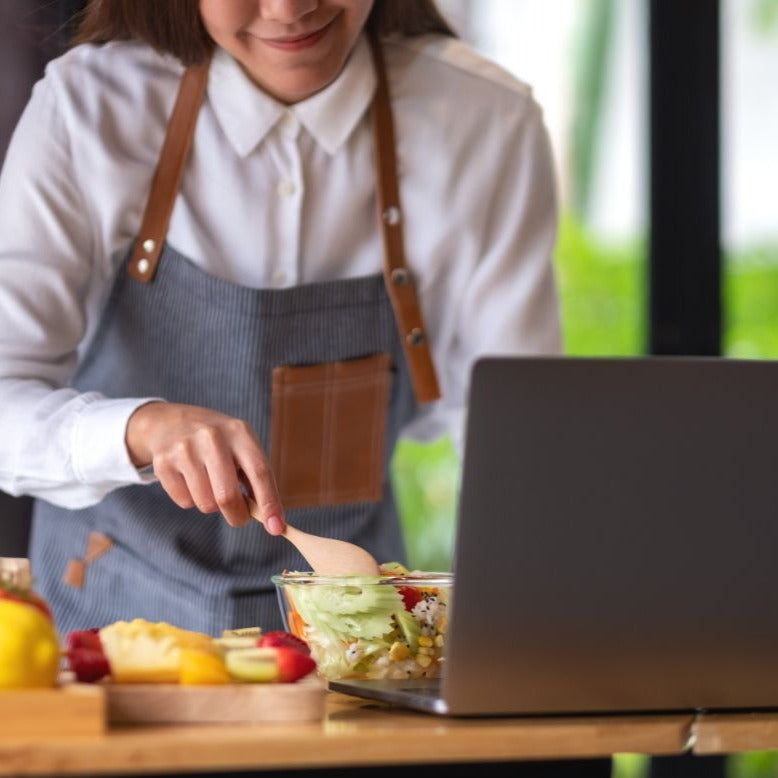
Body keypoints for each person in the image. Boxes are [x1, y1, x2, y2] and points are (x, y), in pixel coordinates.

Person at [0, 0, 561, 636]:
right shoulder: (91, 106)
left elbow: (520, 445)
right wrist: (138, 428)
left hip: (352, 643)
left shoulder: (485, 123)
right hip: (105, 629)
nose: (288, 9)